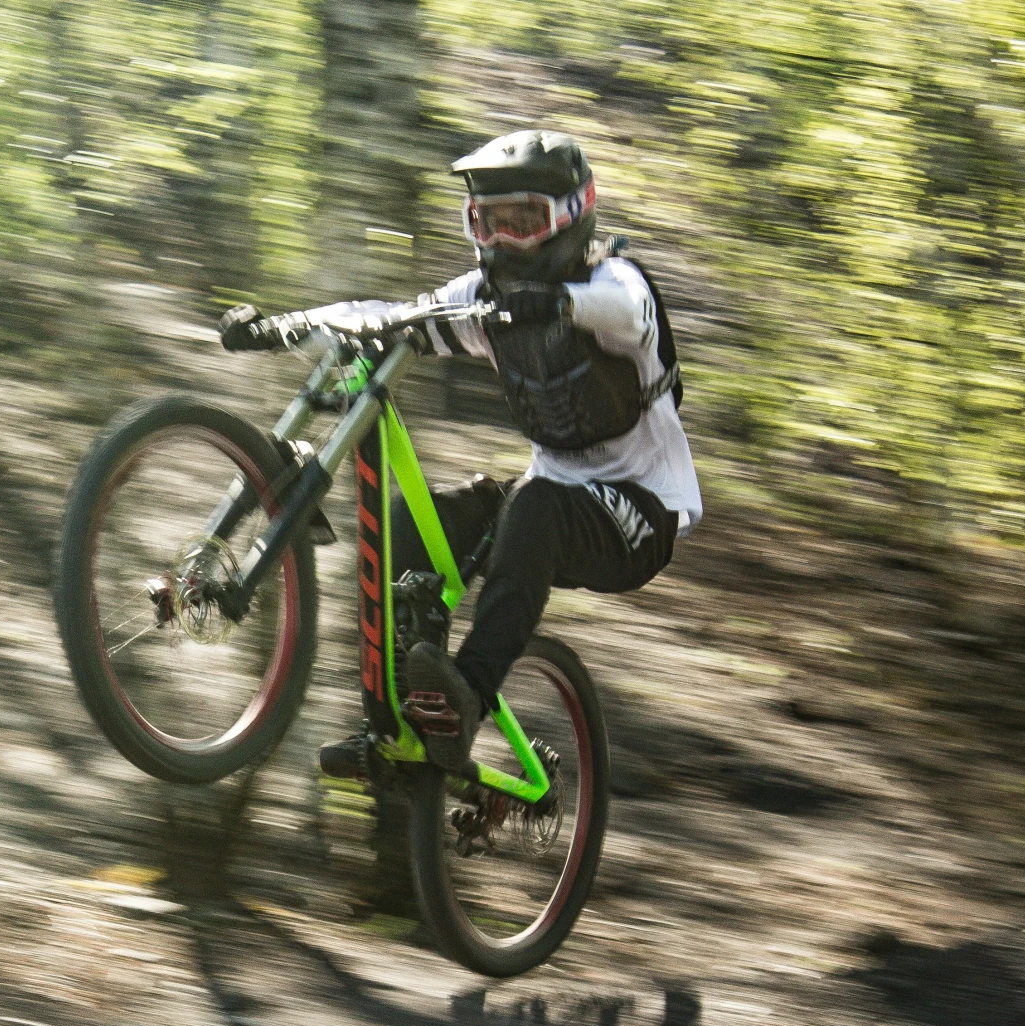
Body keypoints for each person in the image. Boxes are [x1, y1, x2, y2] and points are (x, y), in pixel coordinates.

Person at [222, 128, 700, 777]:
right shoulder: (485, 299)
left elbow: (629, 313)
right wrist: (290, 324)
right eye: (489, 222)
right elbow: (390, 314)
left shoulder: (613, 278)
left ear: (571, 214)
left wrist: (556, 302)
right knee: (403, 526)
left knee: (535, 507)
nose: (502, 240)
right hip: (547, 497)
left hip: (642, 514)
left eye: (522, 222)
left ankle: (467, 694)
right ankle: (405, 722)